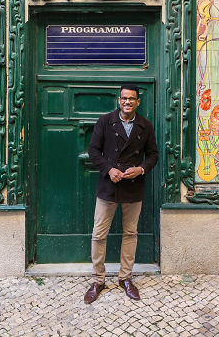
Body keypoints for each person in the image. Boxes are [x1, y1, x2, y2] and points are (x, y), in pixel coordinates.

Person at [84, 84, 158, 304]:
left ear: (138, 102)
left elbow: (153, 155)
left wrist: (141, 169)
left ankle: (125, 278)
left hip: (133, 186)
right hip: (109, 185)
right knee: (99, 234)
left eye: (132, 99)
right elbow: (93, 151)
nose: (127, 102)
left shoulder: (145, 125)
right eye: (124, 98)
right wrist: (109, 169)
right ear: (119, 100)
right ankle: (98, 280)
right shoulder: (105, 121)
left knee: (130, 233)